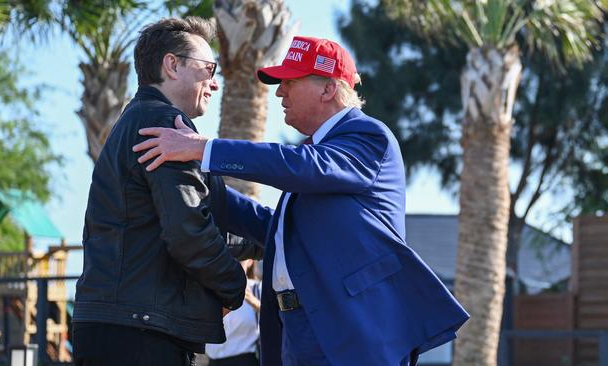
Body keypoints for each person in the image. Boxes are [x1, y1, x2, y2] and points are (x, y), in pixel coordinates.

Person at [132, 36, 470, 366]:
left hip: (353, 330)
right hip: (299, 331)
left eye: (290, 81)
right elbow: (274, 229)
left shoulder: (368, 136)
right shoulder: (312, 158)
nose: (279, 92)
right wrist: (202, 181)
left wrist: (204, 149)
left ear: (328, 88)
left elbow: (306, 167)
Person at [72, 17, 257, 366]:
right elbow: (188, 231)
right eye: (208, 69)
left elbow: (184, 223)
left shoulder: (136, 118)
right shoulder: (165, 124)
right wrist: (235, 287)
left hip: (118, 327)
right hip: (139, 335)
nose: (214, 84)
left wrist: (271, 240)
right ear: (172, 65)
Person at [206, 259, 262, 366]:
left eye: (239, 258)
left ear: (250, 262)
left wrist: (253, 302)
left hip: (246, 361)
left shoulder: (257, 289)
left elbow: (277, 321)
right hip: (213, 361)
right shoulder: (209, 289)